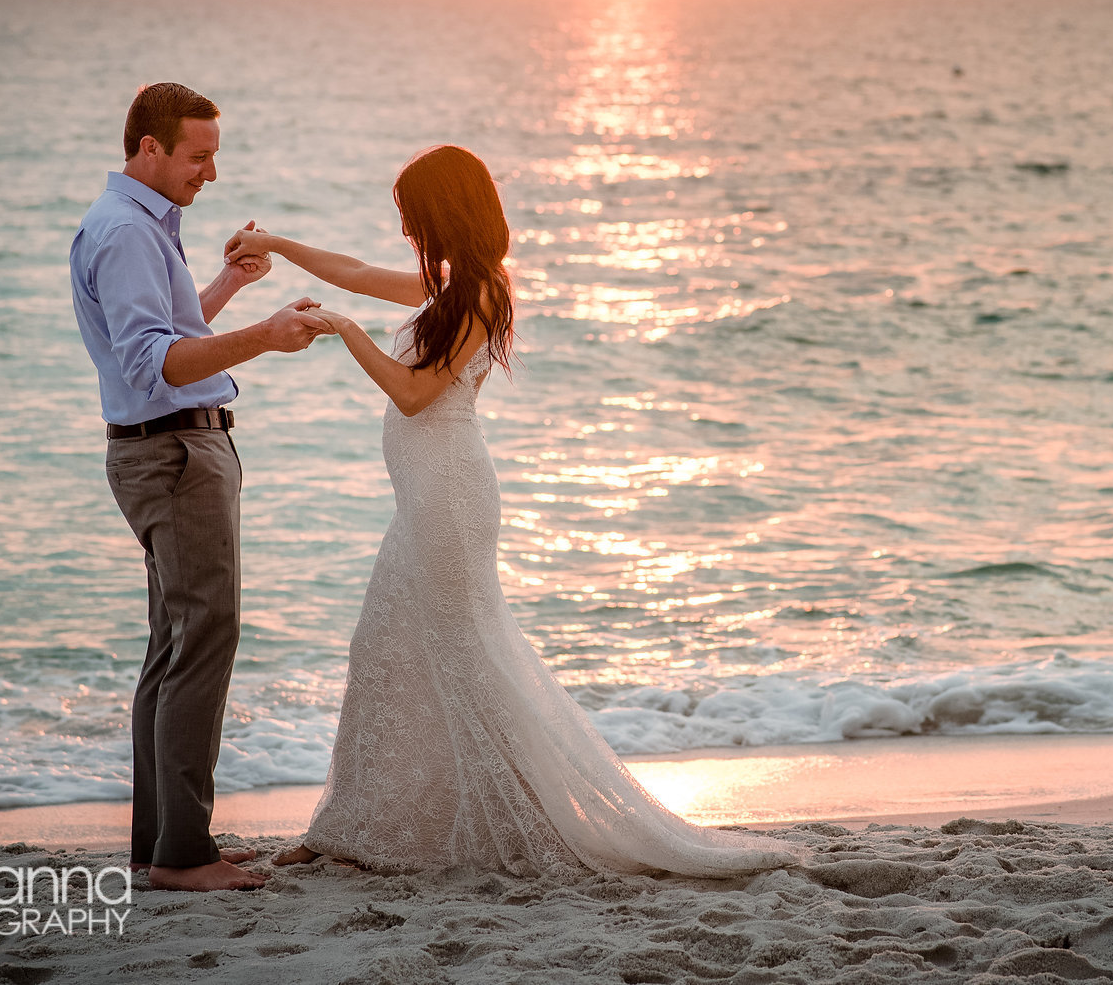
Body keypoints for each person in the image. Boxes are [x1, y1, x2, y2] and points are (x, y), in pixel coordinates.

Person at [224, 144, 798, 878]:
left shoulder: (484, 293)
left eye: (412, 217)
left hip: (450, 501)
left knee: (467, 658)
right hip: (425, 500)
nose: (406, 232)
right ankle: (352, 821)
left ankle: (492, 812)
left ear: (443, 214)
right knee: (387, 651)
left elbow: (412, 392)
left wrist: (344, 328)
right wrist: (277, 244)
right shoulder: (454, 285)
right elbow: (362, 274)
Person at [70, 82, 329, 892]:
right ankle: (182, 855)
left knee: (174, 643)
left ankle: (162, 846)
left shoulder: (139, 226)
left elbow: (161, 338)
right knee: (203, 639)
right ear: (149, 148)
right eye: (198, 155)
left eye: (215, 155)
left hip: (169, 448)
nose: (210, 173)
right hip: (173, 456)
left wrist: (224, 289)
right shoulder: (125, 234)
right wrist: (265, 338)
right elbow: (157, 366)